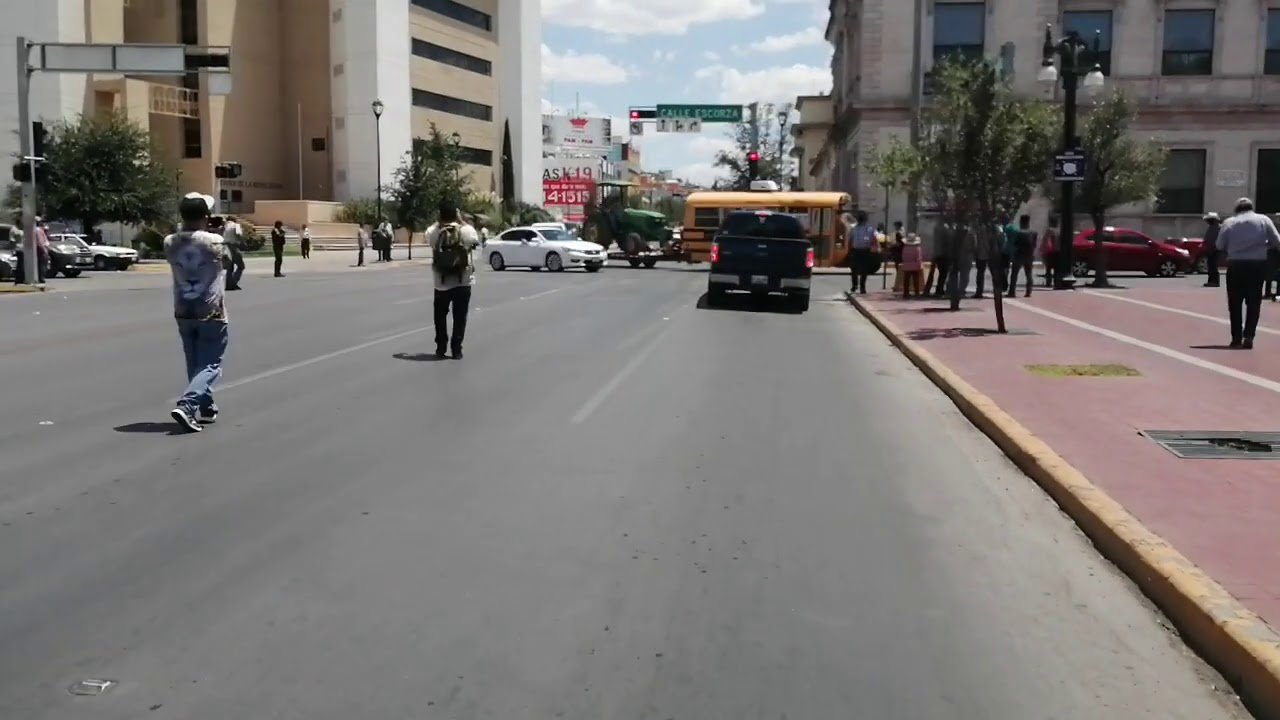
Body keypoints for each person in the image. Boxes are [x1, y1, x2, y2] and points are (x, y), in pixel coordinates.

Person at [164, 192, 228, 433]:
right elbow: (228, 263)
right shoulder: (214, 241)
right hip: (211, 310)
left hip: (182, 309)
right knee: (211, 362)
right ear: (206, 216)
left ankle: (207, 406)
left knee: (194, 361)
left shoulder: (169, 241)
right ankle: (189, 405)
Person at [1215, 197, 1280, 349]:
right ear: (1251, 207)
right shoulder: (1263, 220)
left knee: (1235, 303)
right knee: (1254, 302)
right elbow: (1277, 241)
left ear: (1237, 209)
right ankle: (1249, 336)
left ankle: (1236, 337)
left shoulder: (1229, 222)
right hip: (1257, 265)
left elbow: (1219, 245)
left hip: (1236, 265)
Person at [428, 201, 480, 359]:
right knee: (460, 316)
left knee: (440, 316)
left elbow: (429, 236)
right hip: (463, 280)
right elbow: (475, 240)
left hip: (441, 282)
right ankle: (456, 349)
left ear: (440, 215)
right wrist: (461, 221)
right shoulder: (467, 231)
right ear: (457, 214)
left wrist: (440, 221)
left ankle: (441, 347)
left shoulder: (433, 232)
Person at [847, 211, 878, 295]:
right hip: (855, 250)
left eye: (862, 217)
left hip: (865, 251)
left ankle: (862, 287)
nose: (860, 219)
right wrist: (849, 251)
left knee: (864, 270)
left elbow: (874, 240)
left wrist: (875, 250)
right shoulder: (853, 228)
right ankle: (854, 285)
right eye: (859, 217)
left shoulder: (870, 229)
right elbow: (850, 240)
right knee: (854, 269)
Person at [1006, 214, 1036, 298]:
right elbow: (1034, 244)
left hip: (1019, 255)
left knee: (1014, 274)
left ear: (1021, 222)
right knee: (1029, 274)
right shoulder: (1033, 233)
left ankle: (1012, 292)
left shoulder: (1018, 233)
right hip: (1029, 255)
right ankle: (1028, 291)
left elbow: (1015, 244)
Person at [222, 215, 246, 290]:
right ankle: (233, 282)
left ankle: (228, 284)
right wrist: (242, 243)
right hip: (233, 246)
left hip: (224, 247)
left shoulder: (224, 226)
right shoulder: (236, 225)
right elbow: (239, 234)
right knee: (241, 266)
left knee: (229, 267)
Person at [1202, 212, 1221, 288]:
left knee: (1213, 266)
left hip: (1214, 249)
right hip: (1210, 249)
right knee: (1210, 265)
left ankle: (1215, 281)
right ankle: (1211, 280)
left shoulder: (1218, 228)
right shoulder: (1211, 227)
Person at [1039, 215, 1059, 288]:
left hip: (1050, 251)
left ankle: (1048, 282)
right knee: (1056, 268)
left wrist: (1041, 249)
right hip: (1057, 251)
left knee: (1048, 268)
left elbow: (1045, 241)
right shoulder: (1058, 230)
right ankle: (1056, 282)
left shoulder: (1049, 230)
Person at [34, 217, 49, 283]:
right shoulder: (38, 230)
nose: (43, 223)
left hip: (41, 249)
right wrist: (44, 250)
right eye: (42, 222)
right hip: (41, 250)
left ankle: (40, 277)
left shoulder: (39, 230)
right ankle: (41, 278)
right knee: (42, 265)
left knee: (41, 264)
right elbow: (40, 242)